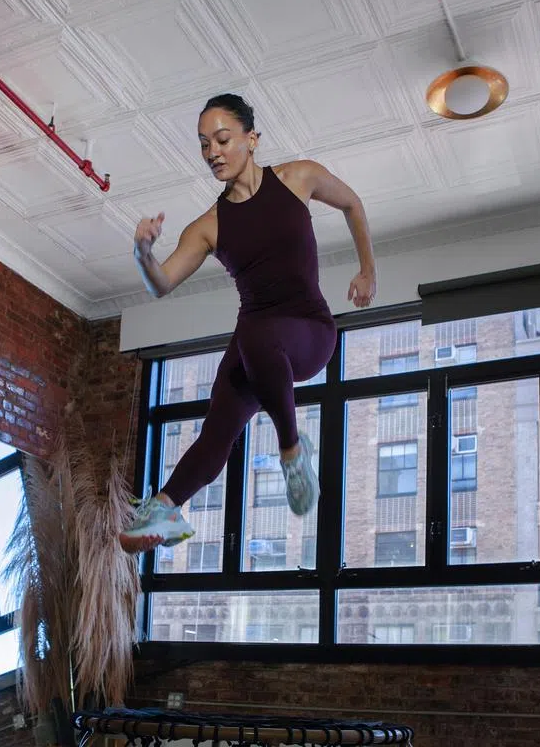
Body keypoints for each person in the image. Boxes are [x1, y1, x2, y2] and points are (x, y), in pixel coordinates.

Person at [119, 93, 376, 554]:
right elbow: (161, 283)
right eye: (204, 145)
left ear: (251, 139)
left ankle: (293, 452)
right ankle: (166, 511)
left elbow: (353, 204)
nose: (212, 152)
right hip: (255, 347)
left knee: (255, 334)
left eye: (221, 139)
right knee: (217, 427)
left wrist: (367, 270)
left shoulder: (298, 177)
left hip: (308, 333)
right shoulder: (208, 225)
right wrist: (143, 253)